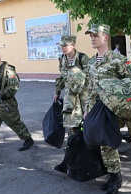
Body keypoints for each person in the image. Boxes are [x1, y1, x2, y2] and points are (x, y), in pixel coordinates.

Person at [83, 23, 131, 194]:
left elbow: (130, 84)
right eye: (90, 35)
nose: (92, 38)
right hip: (96, 108)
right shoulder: (91, 63)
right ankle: (112, 175)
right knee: (101, 143)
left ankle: (116, 177)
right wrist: (87, 110)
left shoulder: (117, 59)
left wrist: (124, 107)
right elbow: (90, 88)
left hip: (111, 108)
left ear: (105, 37)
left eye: (95, 35)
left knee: (108, 144)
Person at [52, 35, 89, 173]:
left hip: (84, 98)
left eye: (65, 45)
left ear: (73, 45)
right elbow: (62, 77)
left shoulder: (83, 58)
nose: (63, 48)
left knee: (86, 129)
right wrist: (57, 91)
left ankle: (89, 162)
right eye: (61, 45)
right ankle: (68, 161)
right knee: (72, 130)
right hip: (71, 100)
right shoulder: (62, 59)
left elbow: (90, 77)